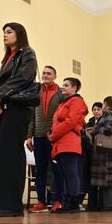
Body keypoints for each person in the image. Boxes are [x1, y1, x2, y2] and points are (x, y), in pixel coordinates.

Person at [0, 22, 38, 217]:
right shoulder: (7, 58)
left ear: (19, 34)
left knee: (10, 156)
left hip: (18, 108)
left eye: (9, 32)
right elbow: (1, 82)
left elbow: (22, 78)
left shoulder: (27, 53)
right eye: (3, 32)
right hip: (3, 109)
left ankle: (10, 204)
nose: (4, 35)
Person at [26, 66, 64, 213]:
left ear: (55, 76)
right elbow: (31, 116)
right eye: (44, 73)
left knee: (56, 170)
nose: (45, 75)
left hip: (55, 138)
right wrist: (29, 136)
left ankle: (57, 201)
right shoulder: (36, 91)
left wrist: (56, 133)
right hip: (38, 137)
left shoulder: (61, 93)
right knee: (40, 170)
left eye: (49, 73)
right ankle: (41, 201)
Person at [48, 77, 88, 213]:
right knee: (65, 174)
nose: (63, 87)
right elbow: (60, 122)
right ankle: (67, 203)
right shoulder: (63, 103)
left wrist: (54, 134)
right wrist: (52, 133)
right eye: (63, 85)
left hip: (69, 142)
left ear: (74, 88)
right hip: (60, 142)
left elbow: (71, 121)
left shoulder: (77, 101)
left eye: (66, 85)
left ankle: (74, 203)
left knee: (71, 173)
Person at [89, 96, 112, 211]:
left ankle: (109, 205)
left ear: (105, 105)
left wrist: (94, 130)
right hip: (107, 150)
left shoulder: (108, 114)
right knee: (107, 179)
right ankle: (107, 204)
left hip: (104, 150)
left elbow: (108, 130)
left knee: (106, 179)